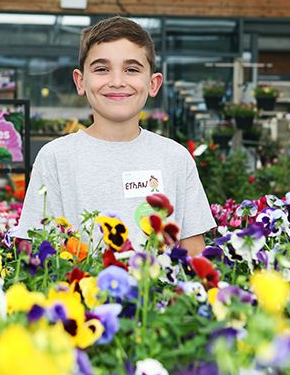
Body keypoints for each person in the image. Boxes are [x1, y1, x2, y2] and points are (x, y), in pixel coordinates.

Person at [13, 16, 215, 256]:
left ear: (153, 83)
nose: (117, 81)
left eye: (131, 69)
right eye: (101, 69)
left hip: (160, 293)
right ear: (80, 81)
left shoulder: (175, 158)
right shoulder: (56, 157)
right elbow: (35, 252)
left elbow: (194, 255)